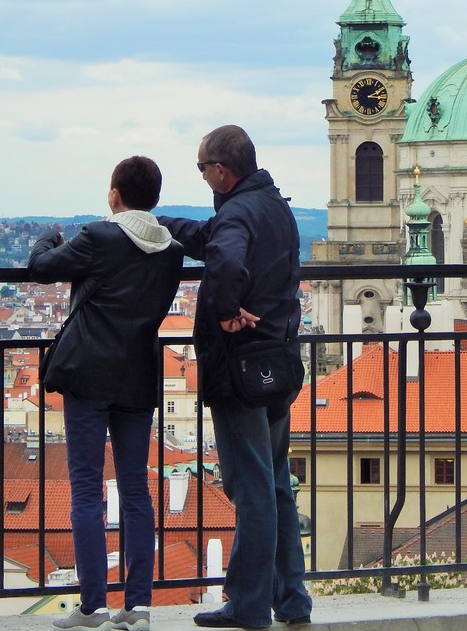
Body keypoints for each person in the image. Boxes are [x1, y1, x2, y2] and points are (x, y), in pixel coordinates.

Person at [158, 125, 311, 629]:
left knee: (252, 488)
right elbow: (213, 238)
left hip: (242, 366)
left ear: (221, 171)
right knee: (277, 484)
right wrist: (161, 225)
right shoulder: (273, 205)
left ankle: (248, 606)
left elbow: (223, 256)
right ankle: (292, 600)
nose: (201, 176)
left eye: (202, 168)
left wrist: (224, 310)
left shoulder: (238, 212)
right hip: (279, 361)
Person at [28, 157, 184, 631]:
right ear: (154, 198)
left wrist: (48, 238)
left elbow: (41, 269)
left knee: (87, 488)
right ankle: (136, 606)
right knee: (136, 488)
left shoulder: (99, 236)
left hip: (89, 373)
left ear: (115, 194)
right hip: (138, 372)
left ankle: (92, 604)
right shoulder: (171, 249)